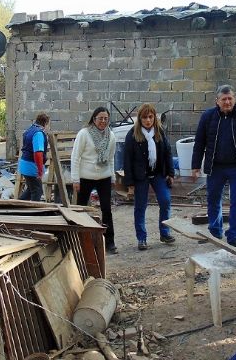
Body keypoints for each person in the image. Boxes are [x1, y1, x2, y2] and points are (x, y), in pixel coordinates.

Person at [192, 85, 236, 247]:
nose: (227, 102)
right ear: (217, 101)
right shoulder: (208, 117)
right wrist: (195, 165)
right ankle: (215, 232)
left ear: (234, 99)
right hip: (215, 167)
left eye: (230, 98)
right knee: (213, 199)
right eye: (224, 99)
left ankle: (233, 235)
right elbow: (199, 142)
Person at [123, 103, 175, 250]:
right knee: (140, 206)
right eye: (145, 117)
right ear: (140, 118)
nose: (148, 120)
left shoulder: (160, 132)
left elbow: (168, 153)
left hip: (158, 173)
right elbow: (127, 159)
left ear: (154, 117)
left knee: (165, 201)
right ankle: (142, 238)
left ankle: (165, 233)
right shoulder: (133, 134)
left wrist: (171, 173)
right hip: (140, 176)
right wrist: (130, 182)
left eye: (150, 117)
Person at [71, 107, 118, 254]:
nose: (103, 121)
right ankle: (79, 240)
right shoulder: (84, 134)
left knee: (106, 209)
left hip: (104, 177)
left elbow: (111, 158)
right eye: (100, 118)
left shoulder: (111, 136)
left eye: (106, 118)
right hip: (85, 177)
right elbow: (75, 157)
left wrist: (113, 176)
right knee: (81, 209)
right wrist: (75, 179)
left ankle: (109, 242)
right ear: (94, 119)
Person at [18, 113, 50, 201]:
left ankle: (17, 206)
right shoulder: (38, 134)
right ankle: (33, 213)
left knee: (30, 189)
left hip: (25, 165)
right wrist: (39, 170)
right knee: (37, 190)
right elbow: (38, 153)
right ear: (46, 123)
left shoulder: (29, 130)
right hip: (32, 167)